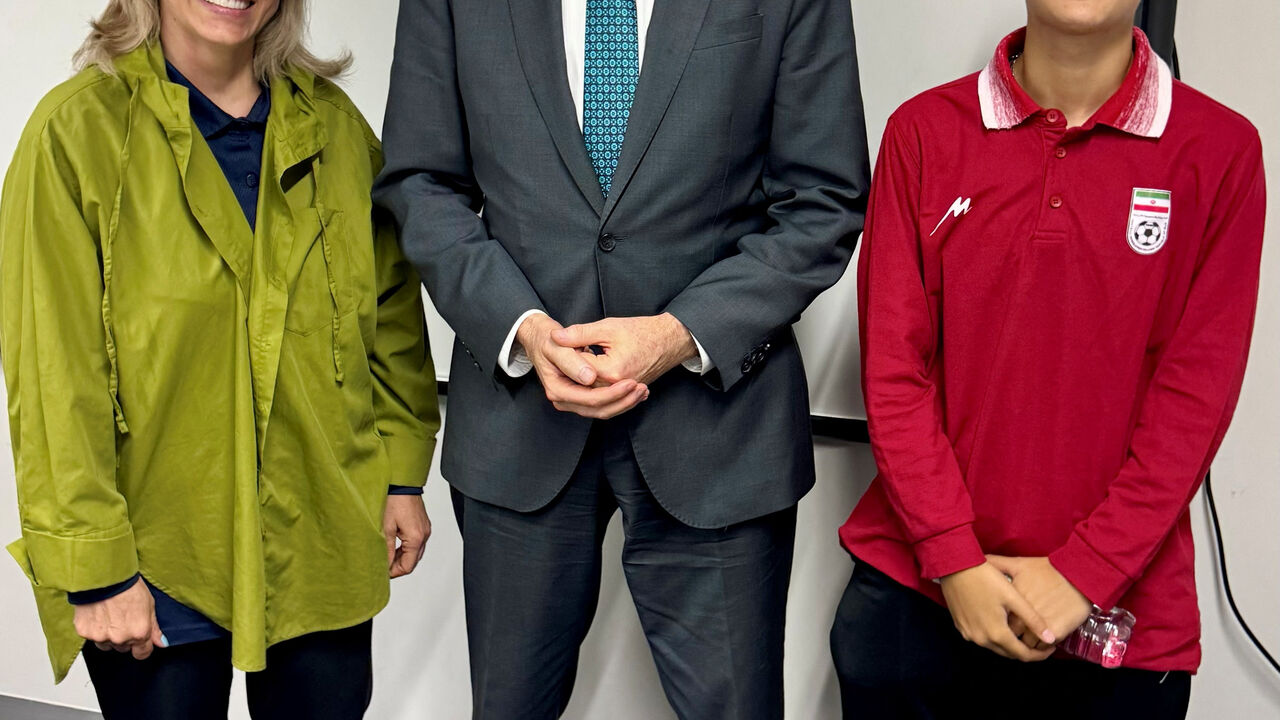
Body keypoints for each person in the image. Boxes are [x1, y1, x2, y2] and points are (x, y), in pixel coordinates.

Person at [375, 1, 868, 717]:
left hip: (721, 433)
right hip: (519, 425)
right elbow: (421, 183)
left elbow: (823, 200)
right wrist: (522, 328)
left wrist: (680, 333)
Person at [0, 1, 440, 718]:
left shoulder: (336, 130)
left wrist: (401, 474)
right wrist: (96, 569)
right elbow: (55, 374)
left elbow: (392, 315)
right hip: (158, 550)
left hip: (321, 528)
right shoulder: (75, 134)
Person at [831, 1, 1265, 718]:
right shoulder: (923, 131)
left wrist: (1088, 570)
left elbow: (1196, 396)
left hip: (1116, 623)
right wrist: (953, 557)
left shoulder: (1221, 150)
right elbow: (894, 372)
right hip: (917, 599)